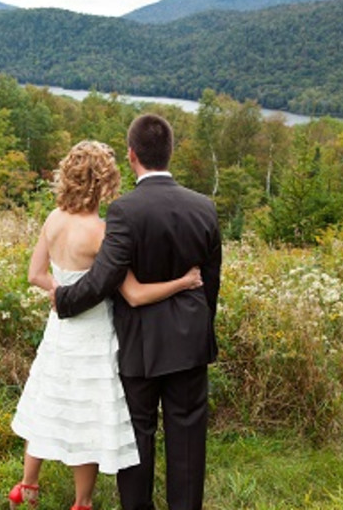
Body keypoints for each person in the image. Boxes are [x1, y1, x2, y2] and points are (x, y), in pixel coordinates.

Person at [9, 140, 204, 510]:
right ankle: (82, 502)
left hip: (59, 331)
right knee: (87, 414)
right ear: (105, 183)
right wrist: (183, 282)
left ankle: (27, 486)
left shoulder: (53, 219)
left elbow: (35, 274)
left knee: (48, 401)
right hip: (92, 335)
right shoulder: (101, 233)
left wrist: (60, 291)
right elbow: (134, 294)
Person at [53, 115, 222, 510]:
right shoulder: (204, 207)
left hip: (139, 345)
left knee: (137, 436)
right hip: (189, 343)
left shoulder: (124, 211)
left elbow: (105, 277)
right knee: (187, 438)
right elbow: (210, 282)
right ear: (170, 152)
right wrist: (199, 327)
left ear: (132, 156)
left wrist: (63, 299)